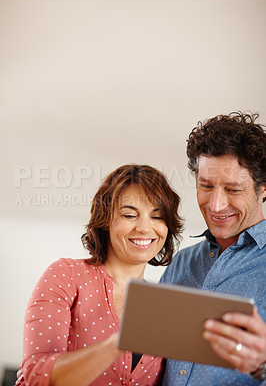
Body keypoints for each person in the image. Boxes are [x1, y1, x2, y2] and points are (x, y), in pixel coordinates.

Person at [16, 164, 183, 386]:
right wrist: (117, 344)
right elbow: (35, 376)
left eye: (157, 216)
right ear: (105, 220)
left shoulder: (164, 305)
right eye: (130, 215)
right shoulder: (67, 275)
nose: (144, 227)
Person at [160, 111, 266, 386]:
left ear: (263, 189)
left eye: (233, 190)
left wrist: (262, 366)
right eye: (206, 186)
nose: (216, 205)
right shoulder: (182, 263)